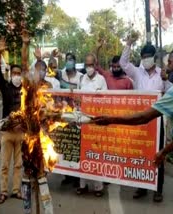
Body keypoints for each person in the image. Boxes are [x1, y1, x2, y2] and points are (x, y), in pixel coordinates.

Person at [92, 46, 173, 214]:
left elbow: (144, 117)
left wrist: (110, 119)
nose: (167, 67)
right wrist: (164, 151)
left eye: (170, 62)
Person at [119, 35, 172, 202]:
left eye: (148, 57)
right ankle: (141, 187)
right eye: (143, 57)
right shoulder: (137, 72)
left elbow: (170, 92)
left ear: (154, 58)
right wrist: (128, 44)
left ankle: (158, 189)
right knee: (140, 153)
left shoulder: (162, 74)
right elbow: (123, 64)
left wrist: (166, 81)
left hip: (157, 121)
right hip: (140, 120)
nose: (145, 60)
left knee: (158, 155)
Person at [0, 37, 24, 204]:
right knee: (4, 165)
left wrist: (25, 45)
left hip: (21, 133)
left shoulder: (26, 90)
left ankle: (16, 190)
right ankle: (4, 192)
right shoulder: (6, 88)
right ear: (11, 75)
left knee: (19, 164)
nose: (17, 76)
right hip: (7, 132)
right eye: (15, 74)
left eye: (19, 74)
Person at [76, 53, 107, 197]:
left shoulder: (101, 80)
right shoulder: (81, 79)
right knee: (83, 152)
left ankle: (98, 187)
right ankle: (82, 185)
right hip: (83, 120)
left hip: (96, 121)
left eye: (91, 65)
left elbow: (106, 99)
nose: (89, 67)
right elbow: (77, 98)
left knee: (96, 152)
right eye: (86, 65)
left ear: (95, 65)